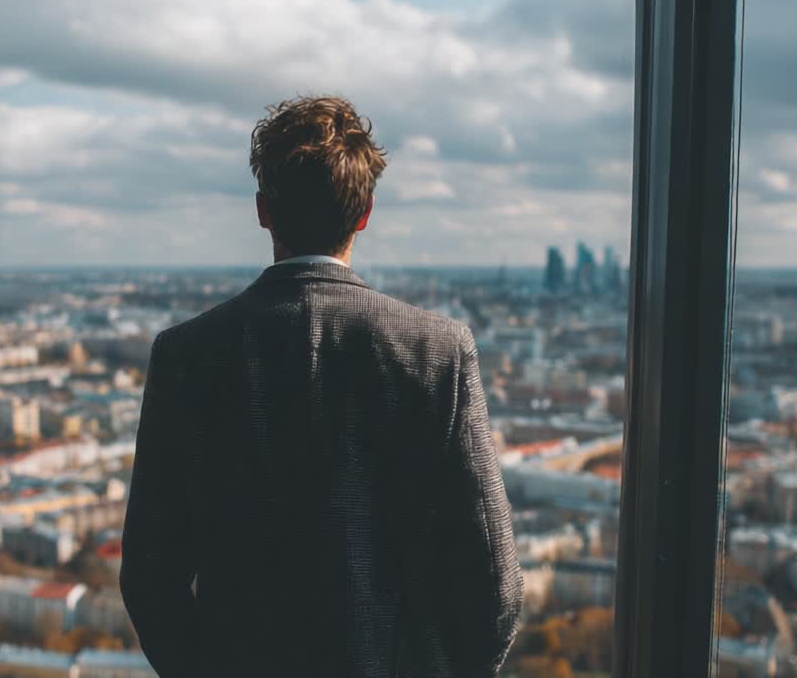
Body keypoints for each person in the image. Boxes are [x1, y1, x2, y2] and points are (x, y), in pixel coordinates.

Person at [120, 95, 522, 677]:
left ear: (263, 211)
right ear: (365, 213)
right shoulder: (438, 350)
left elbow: (149, 576)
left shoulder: (186, 355)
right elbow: (495, 583)